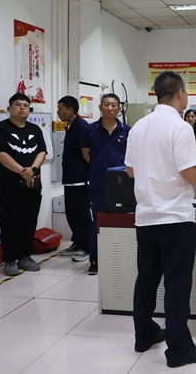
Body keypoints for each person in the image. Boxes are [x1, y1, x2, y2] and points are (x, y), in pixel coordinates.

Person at [124, 71, 196, 368]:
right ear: (179, 93)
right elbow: (190, 173)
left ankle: (144, 335)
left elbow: (130, 170)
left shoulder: (139, 126)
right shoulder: (179, 127)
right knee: (177, 283)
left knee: (147, 278)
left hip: (146, 217)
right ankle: (179, 349)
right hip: (175, 218)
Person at [0, 94, 47, 276]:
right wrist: (23, 171)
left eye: (25, 105)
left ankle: (25, 256)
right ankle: (10, 259)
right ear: (9, 107)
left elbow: (42, 151)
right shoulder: (1, 128)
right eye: (18, 104)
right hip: (9, 186)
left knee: (29, 221)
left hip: (32, 184)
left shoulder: (35, 129)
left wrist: (33, 169)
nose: (22, 108)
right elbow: (0, 153)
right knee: (9, 222)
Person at [81, 93, 131, 275]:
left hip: (123, 186)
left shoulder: (127, 130)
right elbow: (86, 154)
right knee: (98, 221)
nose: (110, 108)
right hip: (98, 185)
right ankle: (95, 259)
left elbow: (131, 157)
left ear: (119, 109)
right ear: (100, 107)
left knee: (123, 221)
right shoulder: (89, 130)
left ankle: (121, 258)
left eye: (114, 105)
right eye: (107, 104)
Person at [56, 96, 92, 264]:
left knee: (81, 214)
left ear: (71, 110)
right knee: (72, 214)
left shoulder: (82, 127)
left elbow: (88, 154)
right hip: (70, 178)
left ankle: (88, 246)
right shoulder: (71, 126)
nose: (58, 112)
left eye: (60, 109)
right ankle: (78, 241)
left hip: (80, 179)